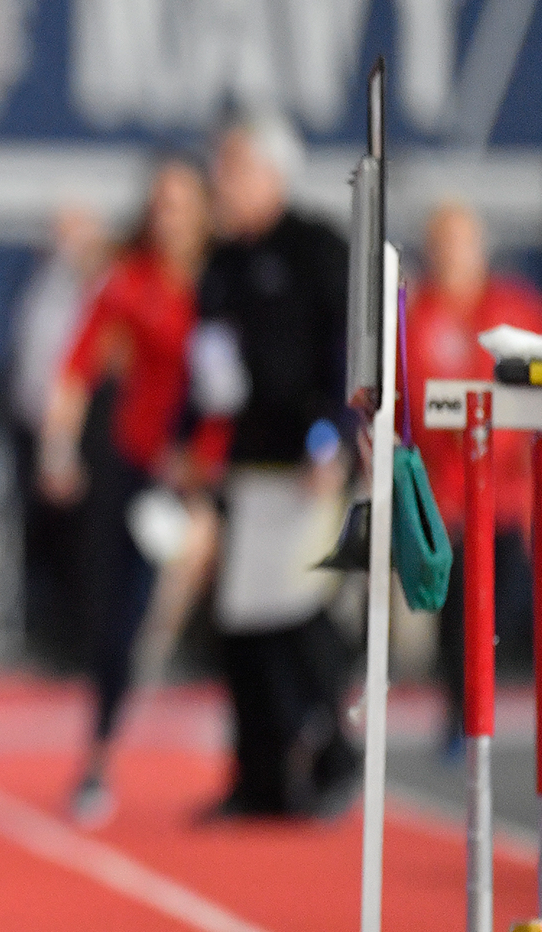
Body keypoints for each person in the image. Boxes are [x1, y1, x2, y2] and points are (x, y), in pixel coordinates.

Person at [186, 111, 357, 819]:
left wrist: (334, 435)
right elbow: (210, 367)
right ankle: (259, 776)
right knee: (240, 627)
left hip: (306, 460)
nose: (219, 182)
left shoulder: (317, 247)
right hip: (244, 463)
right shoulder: (222, 262)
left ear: (269, 173)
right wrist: (194, 444)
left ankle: (333, 752)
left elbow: (349, 346)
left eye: (232, 168)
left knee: (297, 613)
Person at [37, 154, 213, 827]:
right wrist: (59, 447)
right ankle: (101, 754)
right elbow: (76, 368)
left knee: (219, 576)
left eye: (182, 202)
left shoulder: (226, 281)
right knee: (115, 618)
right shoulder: (129, 283)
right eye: (160, 202)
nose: (169, 216)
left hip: (213, 465)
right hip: (138, 466)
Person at [404, 200, 542, 756]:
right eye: (442, 243)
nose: (452, 255)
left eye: (461, 242)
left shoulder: (515, 308)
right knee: (455, 609)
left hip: (507, 496)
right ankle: (459, 712)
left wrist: (495, 440)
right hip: (445, 496)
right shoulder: (419, 315)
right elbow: (413, 396)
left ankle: (474, 706)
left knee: (502, 601)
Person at [11, 205, 110, 668]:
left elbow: (75, 374)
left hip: (80, 433)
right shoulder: (46, 287)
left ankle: (92, 646)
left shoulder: (100, 292)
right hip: (37, 430)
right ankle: (63, 640)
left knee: (87, 546)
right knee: (48, 543)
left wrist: (62, 447)